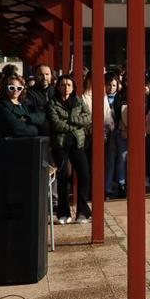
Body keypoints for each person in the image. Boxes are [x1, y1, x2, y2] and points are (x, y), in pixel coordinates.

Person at [47, 76, 92, 224]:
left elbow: (88, 117)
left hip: (77, 143)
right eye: (63, 84)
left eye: (69, 85)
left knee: (84, 174)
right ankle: (63, 213)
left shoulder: (78, 101)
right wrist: (75, 124)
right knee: (63, 176)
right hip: (60, 144)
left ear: (73, 87)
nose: (66, 87)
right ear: (58, 86)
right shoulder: (52, 103)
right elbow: (56, 124)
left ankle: (83, 212)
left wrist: (71, 121)